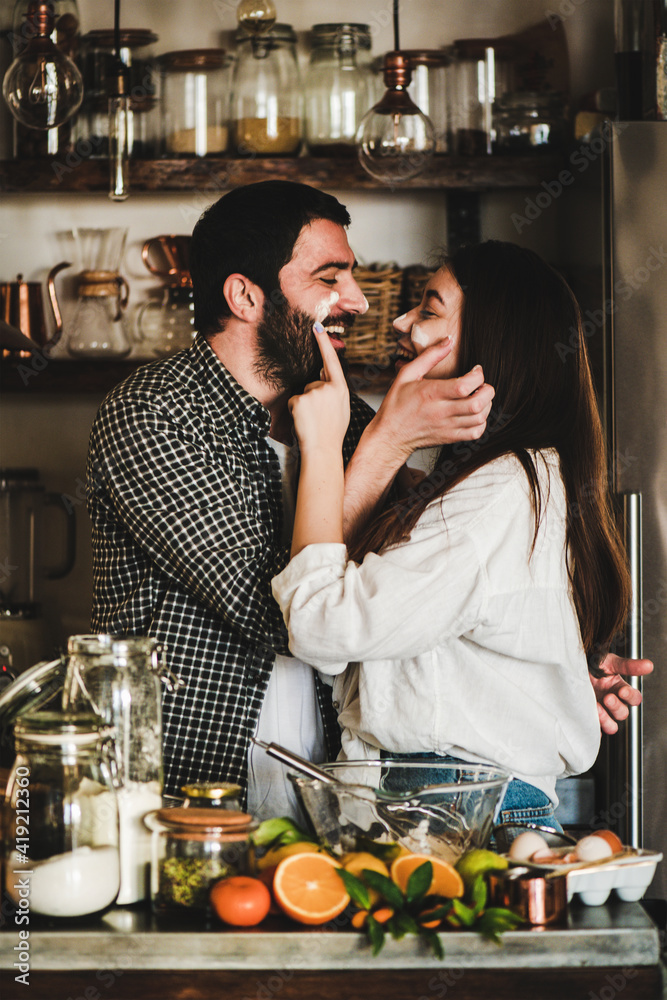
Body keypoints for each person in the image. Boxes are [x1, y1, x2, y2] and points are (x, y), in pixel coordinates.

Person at [85, 180, 495, 814]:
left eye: (351, 277)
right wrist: (386, 445)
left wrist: (555, 665)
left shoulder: (349, 421)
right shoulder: (151, 415)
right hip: (183, 802)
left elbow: (425, 585)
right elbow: (284, 613)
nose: (357, 301)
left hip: (331, 802)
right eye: (329, 277)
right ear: (246, 295)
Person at [272, 240, 649, 829]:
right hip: (453, 797)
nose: (398, 321)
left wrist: (327, 444)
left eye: (427, 308)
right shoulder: (511, 480)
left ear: (491, 342)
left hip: (446, 807)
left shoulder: (496, 493)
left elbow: (322, 627)